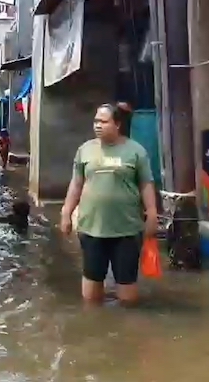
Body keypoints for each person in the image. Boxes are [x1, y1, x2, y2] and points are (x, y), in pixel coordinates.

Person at [60, 103, 159, 305]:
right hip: (92, 228)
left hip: (127, 229)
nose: (98, 125)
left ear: (118, 124)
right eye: (96, 121)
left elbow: (146, 184)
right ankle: (93, 329)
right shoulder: (85, 150)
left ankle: (126, 330)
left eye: (104, 122)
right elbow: (76, 183)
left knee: (127, 292)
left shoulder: (135, 151)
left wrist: (152, 213)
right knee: (91, 290)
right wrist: (66, 212)